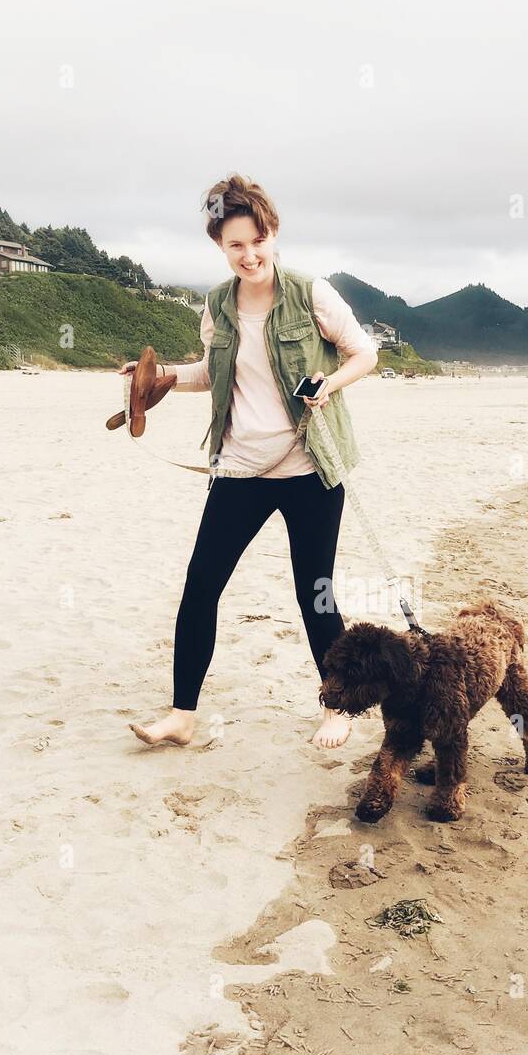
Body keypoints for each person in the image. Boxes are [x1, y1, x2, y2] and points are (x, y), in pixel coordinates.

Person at [122, 174, 378, 751]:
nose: (249, 254)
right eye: (235, 245)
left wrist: (329, 383)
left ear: (273, 233)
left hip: (309, 467)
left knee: (314, 590)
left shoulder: (312, 294)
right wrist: (158, 380)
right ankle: (181, 716)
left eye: (257, 240)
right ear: (220, 245)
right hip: (239, 469)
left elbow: (366, 352)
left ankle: (338, 708)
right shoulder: (217, 304)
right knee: (200, 588)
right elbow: (215, 373)